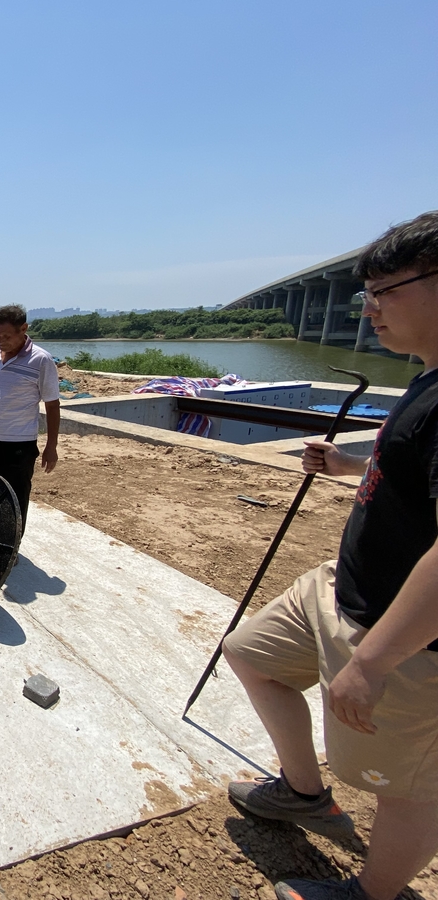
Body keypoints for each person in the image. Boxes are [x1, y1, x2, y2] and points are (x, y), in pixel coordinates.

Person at [222, 210, 438, 900]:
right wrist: (350, 463)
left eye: (386, 291)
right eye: (366, 294)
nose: (369, 309)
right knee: (252, 653)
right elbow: (412, 463)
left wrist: (374, 662)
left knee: (401, 787)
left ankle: (374, 894)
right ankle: (303, 793)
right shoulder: (427, 378)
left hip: (400, 638)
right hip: (341, 591)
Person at [0, 304, 60, 531]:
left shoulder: (41, 361)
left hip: (18, 445)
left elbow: (52, 405)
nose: (1, 341)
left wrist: (51, 446)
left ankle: (9, 546)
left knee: (14, 498)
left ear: (24, 329)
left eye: (7, 336)